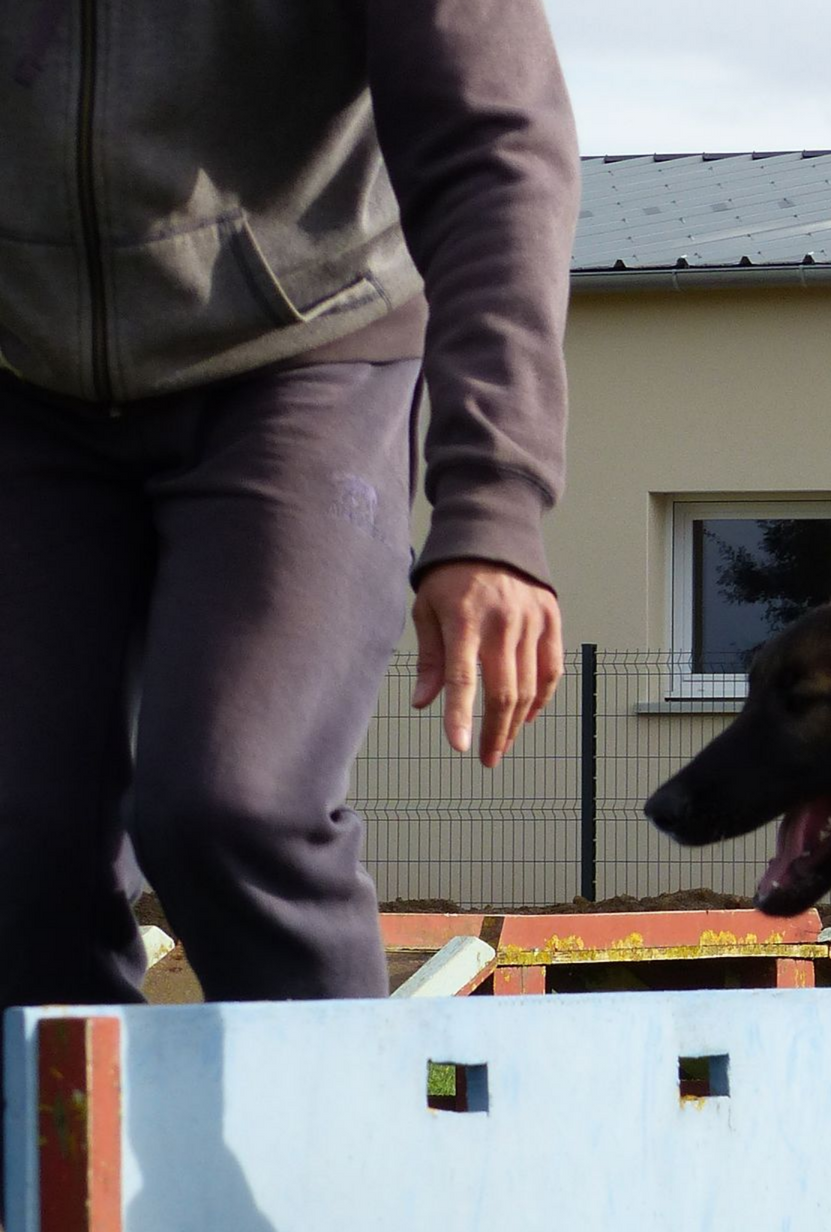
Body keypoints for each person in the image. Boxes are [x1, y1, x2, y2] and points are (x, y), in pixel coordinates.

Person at [0, 0, 581, 1077]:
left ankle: (346, 1209)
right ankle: (74, 1230)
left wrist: (492, 508)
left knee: (233, 802)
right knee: (22, 838)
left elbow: (497, 149)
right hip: (26, 383)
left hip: (305, 349)